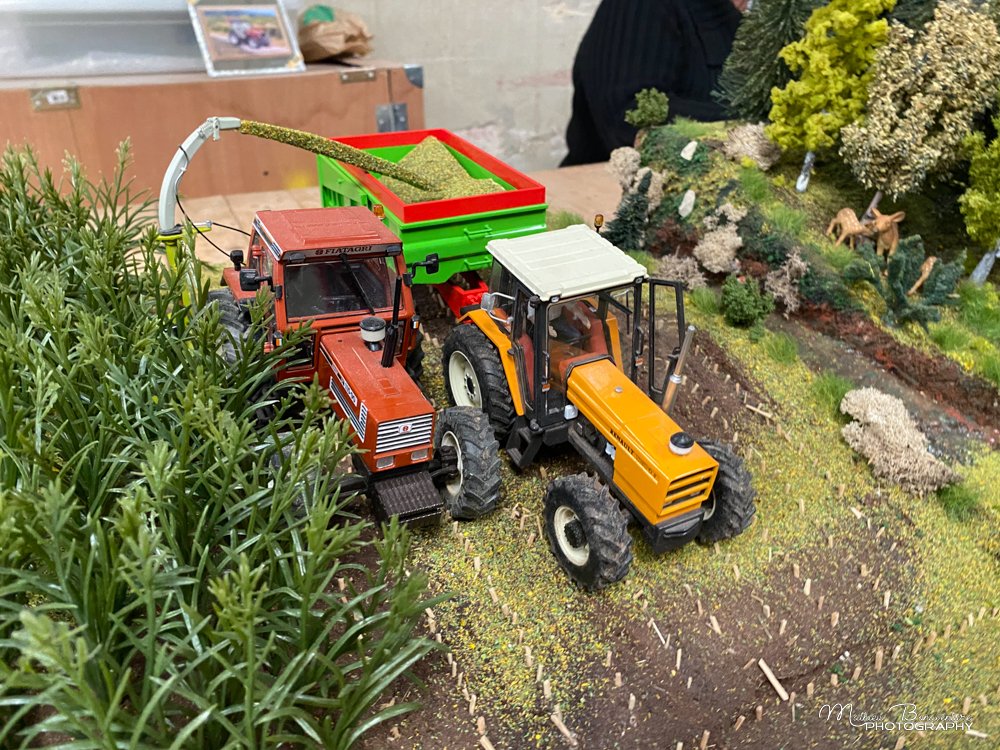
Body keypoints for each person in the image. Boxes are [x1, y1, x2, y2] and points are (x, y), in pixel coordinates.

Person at [561, 0, 746, 166]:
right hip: (605, 186)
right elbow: (627, 116)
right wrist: (749, 123)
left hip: (733, 182)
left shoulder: (753, 14)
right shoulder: (642, 6)